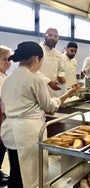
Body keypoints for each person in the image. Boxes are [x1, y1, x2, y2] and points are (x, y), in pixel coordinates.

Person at [0, 41, 80, 188]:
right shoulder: (35, 79)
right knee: (29, 175)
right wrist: (68, 94)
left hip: (9, 130)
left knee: (16, 171)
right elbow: (50, 107)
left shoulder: (8, 79)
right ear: (36, 58)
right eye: (41, 61)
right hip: (27, 132)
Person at [39, 28, 66, 97]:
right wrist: (48, 82)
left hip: (53, 91)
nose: (53, 38)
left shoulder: (58, 54)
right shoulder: (37, 50)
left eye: (55, 36)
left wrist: (61, 76)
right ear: (44, 36)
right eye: (50, 35)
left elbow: (61, 70)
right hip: (39, 88)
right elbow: (33, 71)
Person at [0, 46, 12, 186]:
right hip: (2, 114)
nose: (8, 62)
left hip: (5, 116)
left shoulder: (5, 75)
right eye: (4, 59)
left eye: (9, 59)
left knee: (2, 145)